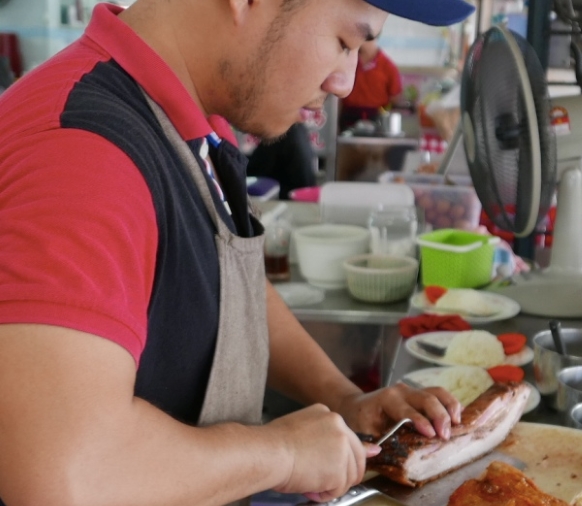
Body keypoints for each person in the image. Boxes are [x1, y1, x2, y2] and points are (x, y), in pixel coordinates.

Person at [0, 0, 473, 504]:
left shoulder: (195, 121)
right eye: (343, 43)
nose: (344, 81)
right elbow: (64, 475)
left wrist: (346, 398)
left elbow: (231, 283)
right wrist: (283, 454)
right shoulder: (83, 154)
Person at [338, 38, 404, 131]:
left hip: (376, 117)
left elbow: (395, 97)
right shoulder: (348, 61)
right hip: (348, 115)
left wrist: (383, 112)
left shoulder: (388, 66)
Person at [247, 122, 318, 200]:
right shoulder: (298, 128)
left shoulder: (280, 132)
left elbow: (254, 168)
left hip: (287, 200)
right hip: (304, 199)